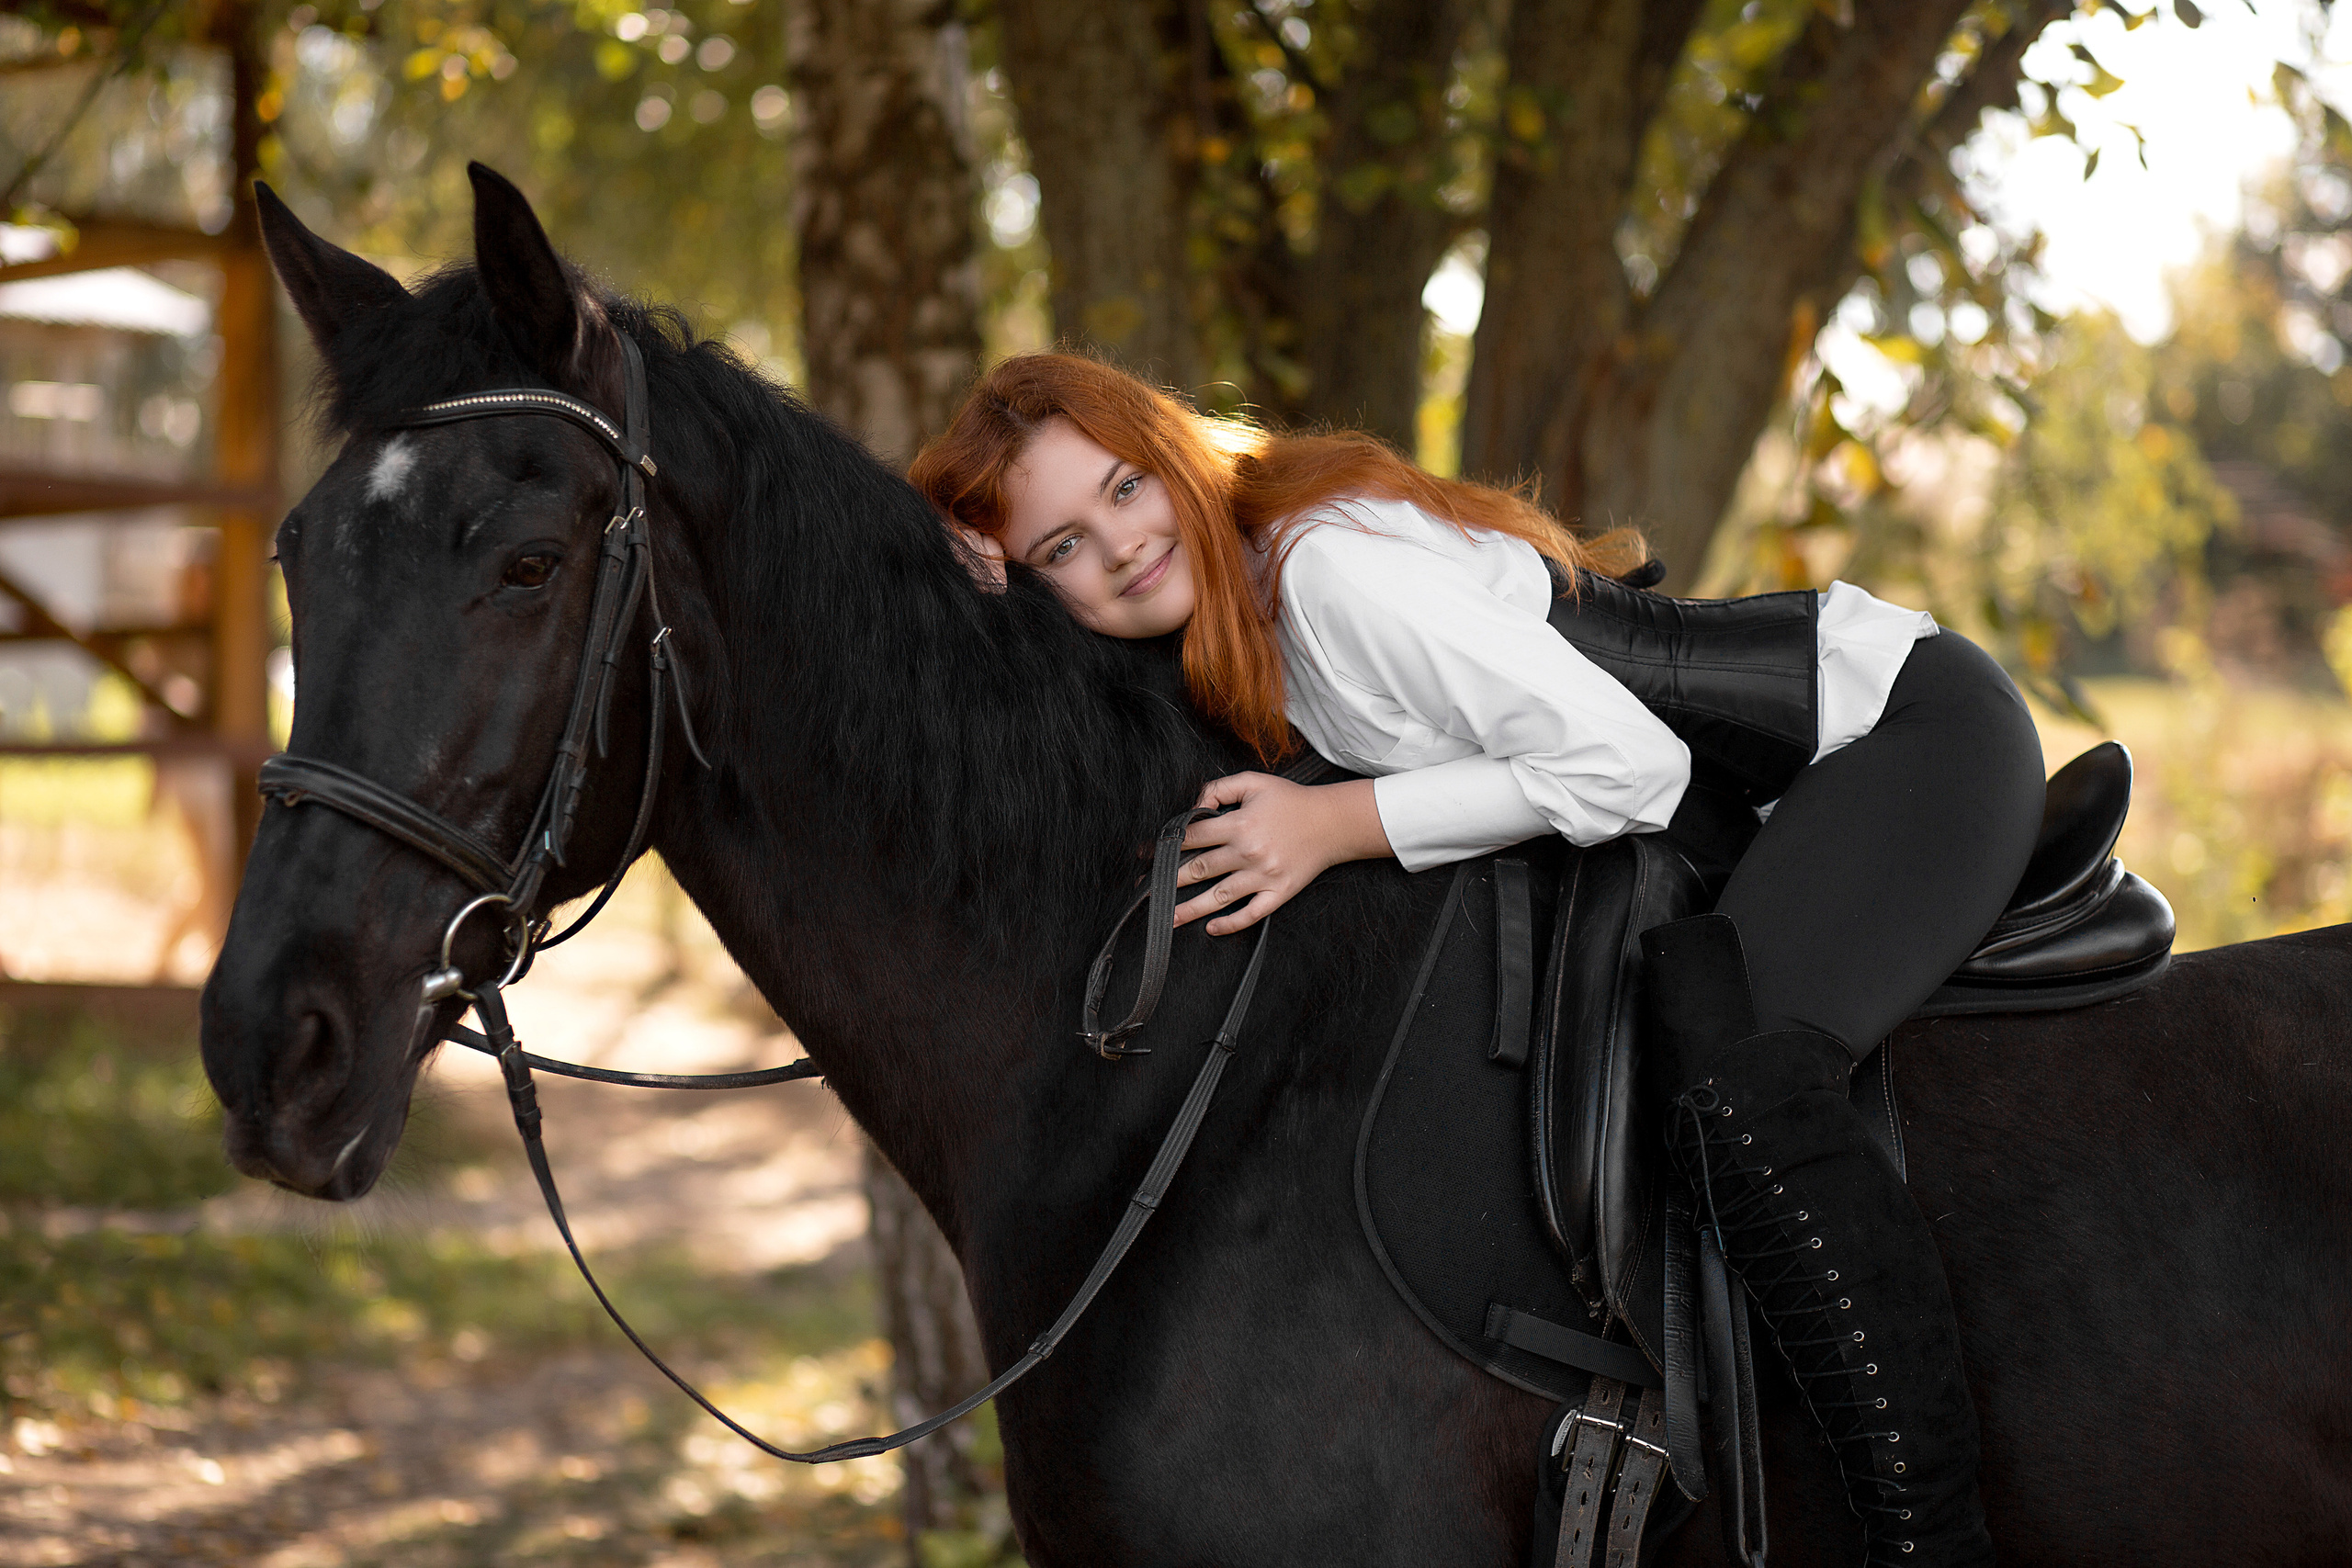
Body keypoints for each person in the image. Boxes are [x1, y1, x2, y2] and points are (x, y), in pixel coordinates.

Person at [911, 353, 2041, 1566]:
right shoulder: (1224, 613)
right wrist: (961, 579)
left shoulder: (1327, 575)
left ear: (1177, 452)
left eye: (1127, 487)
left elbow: (1631, 767)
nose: (1121, 546)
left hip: (1887, 733)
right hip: (1736, 807)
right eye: (1063, 548)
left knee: (1739, 1097)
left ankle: (1935, 1543)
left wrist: (1335, 825)